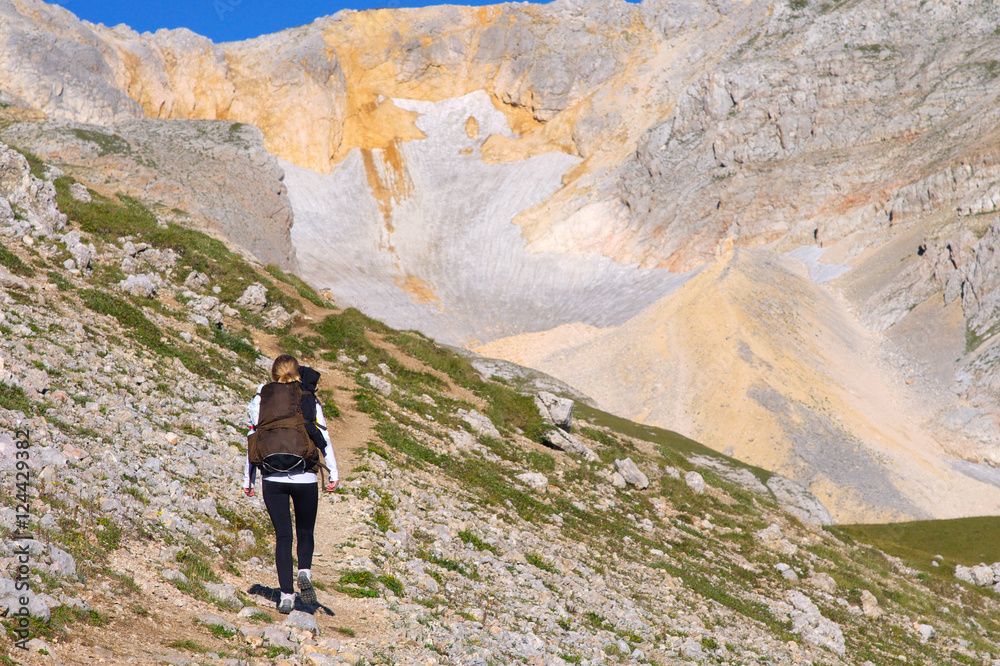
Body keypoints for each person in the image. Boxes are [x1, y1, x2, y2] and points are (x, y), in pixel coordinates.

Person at [243, 354, 339, 614]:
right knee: (305, 531)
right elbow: (323, 436)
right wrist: (333, 473)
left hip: (272, 476)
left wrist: (248, 478)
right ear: (298, 373)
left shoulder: (259, 399)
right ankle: (305, 571)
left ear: (273, 375)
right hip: (305, 475)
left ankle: (286, 596)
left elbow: (253, 438)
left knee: (283, 536)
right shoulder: (307, 397)